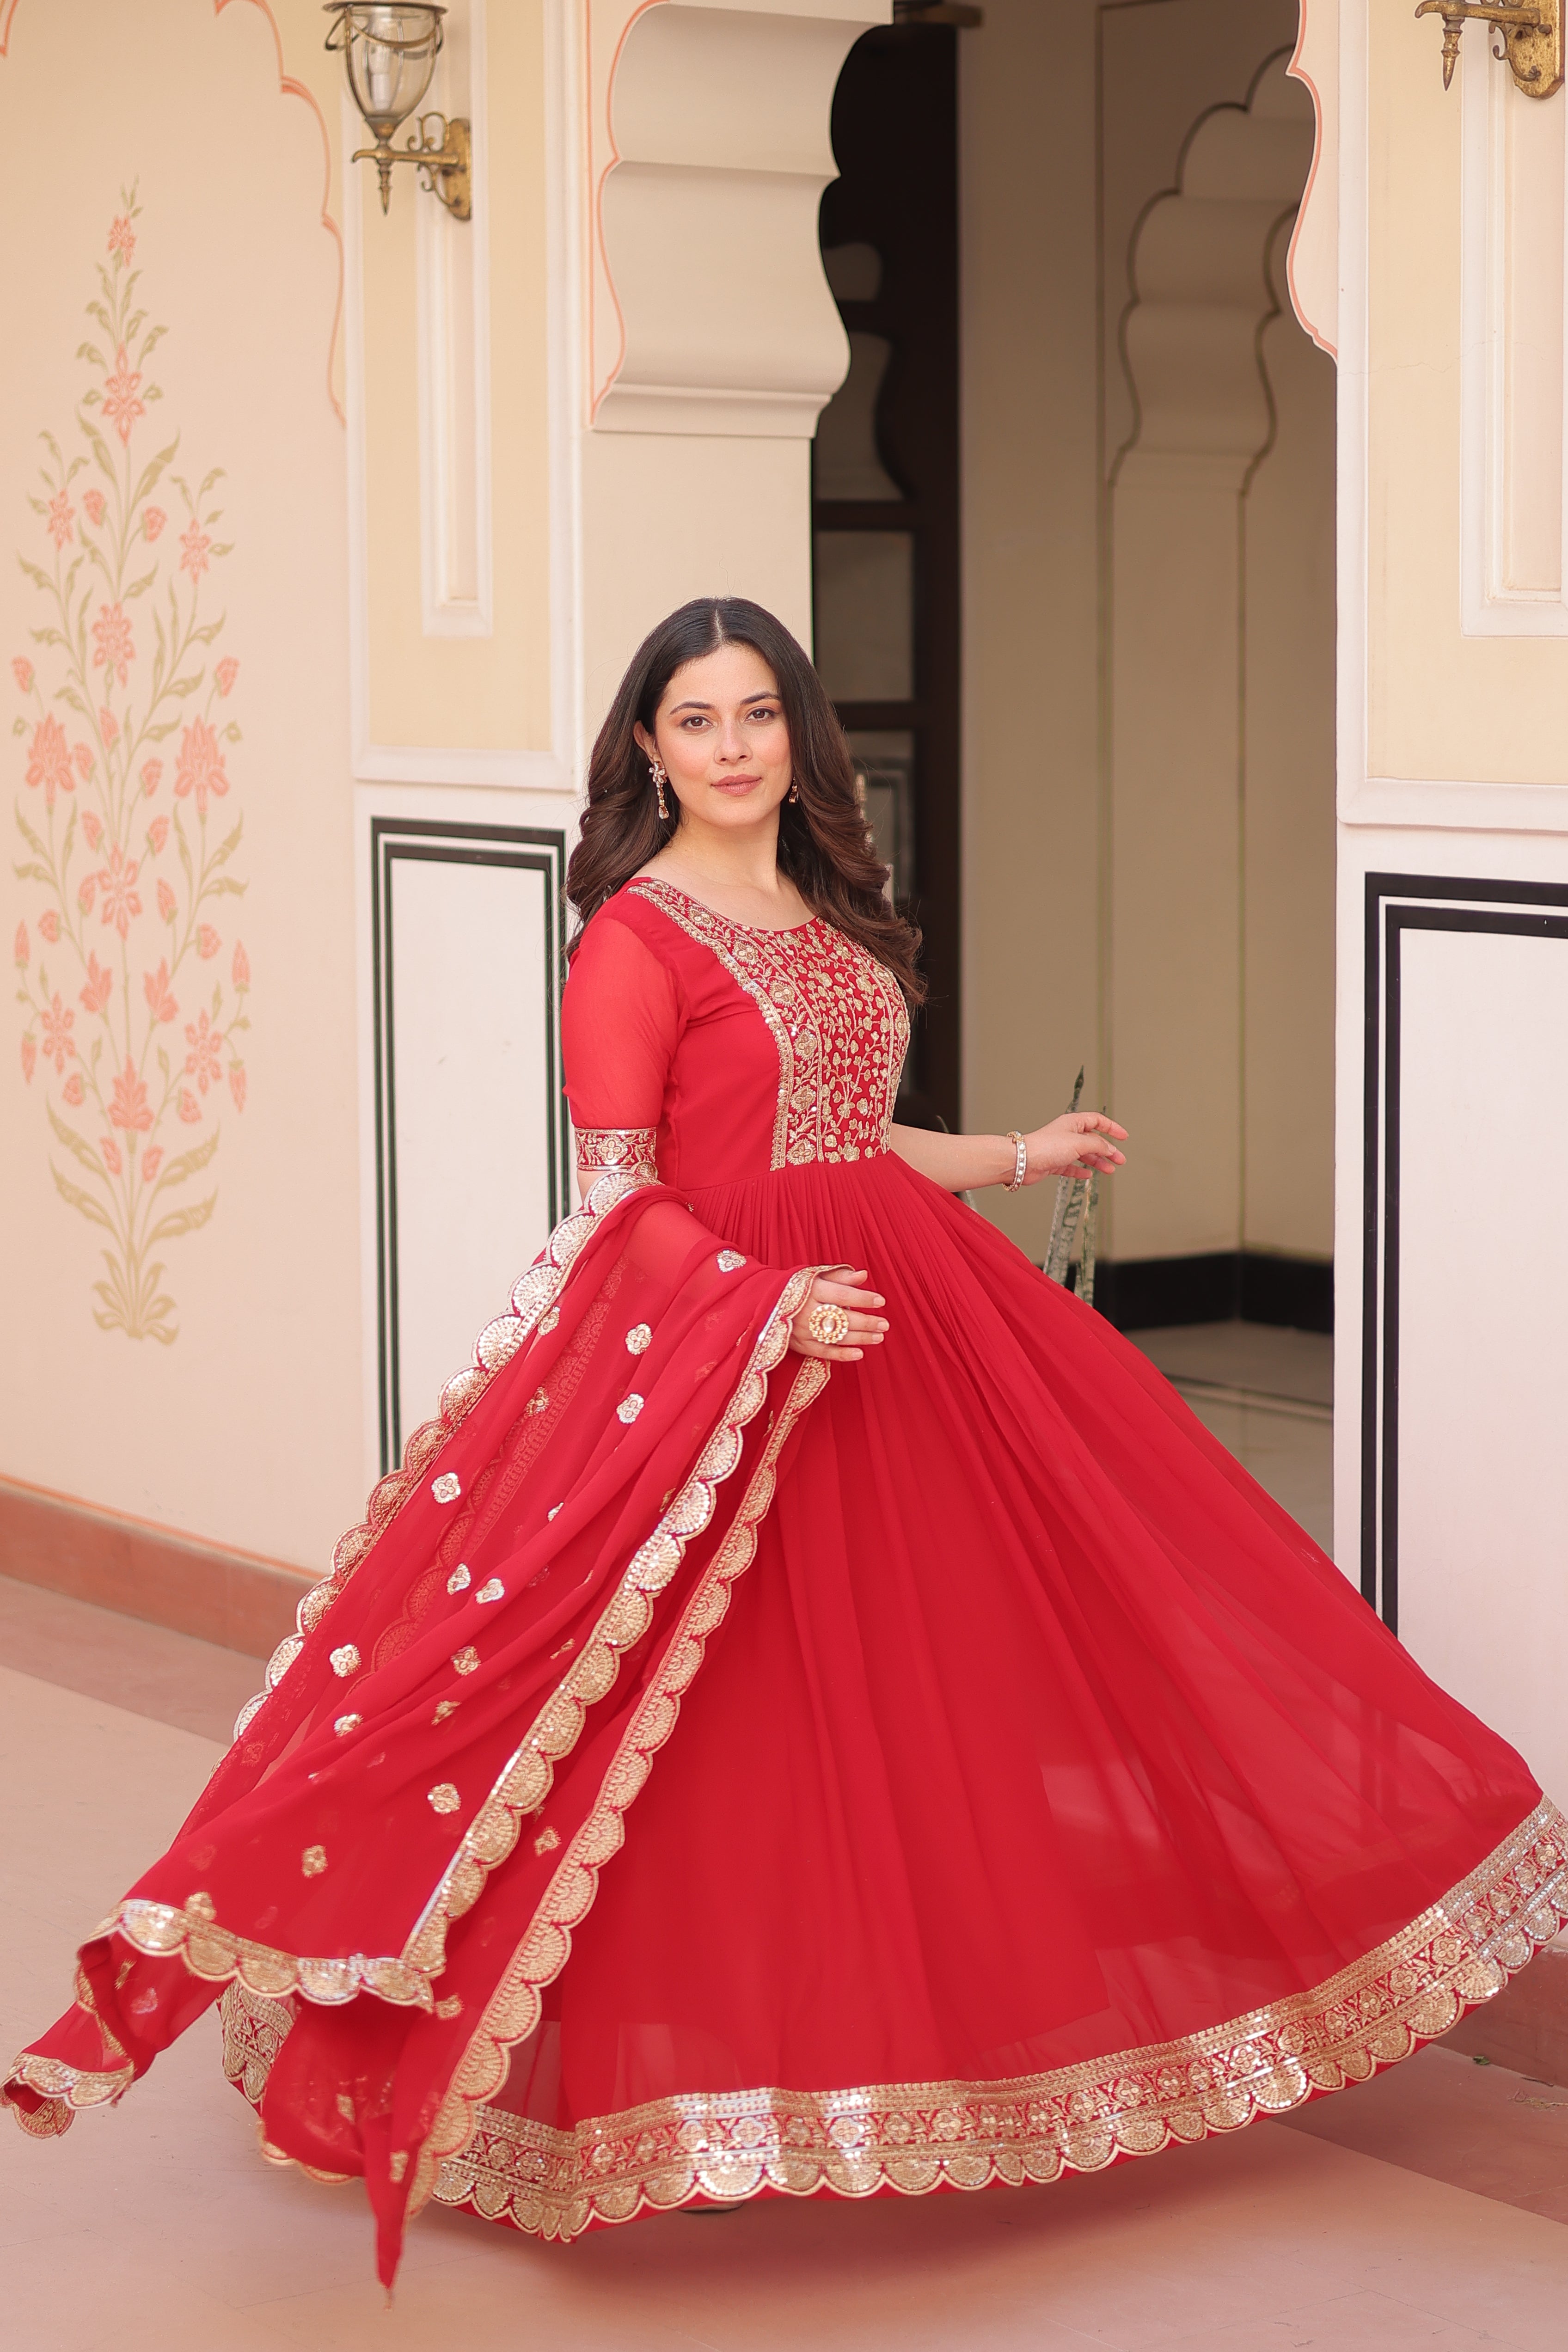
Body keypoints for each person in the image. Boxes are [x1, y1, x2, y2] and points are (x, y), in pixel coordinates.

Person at [7, 598, 1564, 2289]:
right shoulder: (633, 937)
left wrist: (1021, 1152)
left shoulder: (818, 912)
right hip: (720, 1348)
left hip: (900, 1320)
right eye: (698, 721)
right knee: (699, 1718)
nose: (735, 747)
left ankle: (865, 2062)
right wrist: (763, 1313)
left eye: (761, 714)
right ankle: (665, 2088)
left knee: (923, 1693)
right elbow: (623, 1201)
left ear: (798, 736)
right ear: (649, 750)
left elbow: (843, 1139)